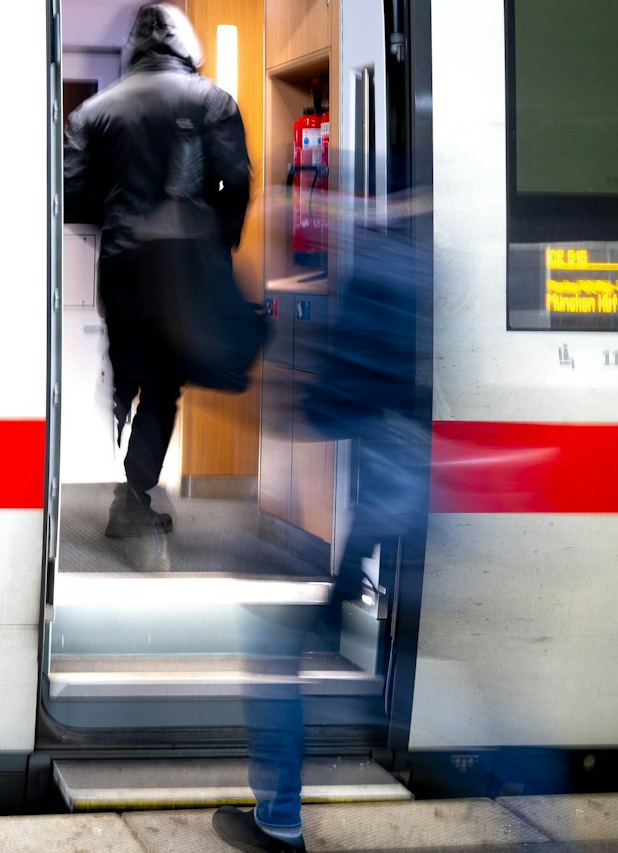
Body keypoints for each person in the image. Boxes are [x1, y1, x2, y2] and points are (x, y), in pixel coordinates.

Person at [212, 204, 431, 853]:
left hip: (398, 493)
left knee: (277, 658)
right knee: (446, 684)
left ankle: (279, 820)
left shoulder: (381, 263)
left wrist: (279, 391)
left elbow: (344, 392)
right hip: (415, 489)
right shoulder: (413, 253)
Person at [64, 3, 251, 537]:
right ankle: (134, 494)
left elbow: (72, 192)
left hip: (122, 265)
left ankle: (122, 399)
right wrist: (217, 240)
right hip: (181, 269)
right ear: (184, 44)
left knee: (131, 363)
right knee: (165, 386)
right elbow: (235, 182)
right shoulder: (212, 101)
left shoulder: (95, 111)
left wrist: (122, 214)